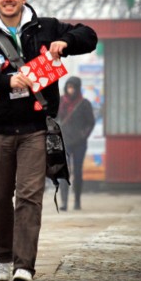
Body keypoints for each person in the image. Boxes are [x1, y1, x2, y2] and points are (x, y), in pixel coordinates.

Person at [0, 0, 97, 281]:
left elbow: (89, 36)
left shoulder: (45, 27)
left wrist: (68, 41)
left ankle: (25, 266)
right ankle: (3, 259)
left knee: (30, 196)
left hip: (35, 128)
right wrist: (5, 81)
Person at [57, 76, 95, 211]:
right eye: (68, 87)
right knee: (64, 173)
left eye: (73, 87)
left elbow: (90, 122)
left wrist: (83, 135)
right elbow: (55, 119)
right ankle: (64, 202)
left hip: (79, 143)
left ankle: (77, 201)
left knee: (78, 172)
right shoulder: (61, 102)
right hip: (65, 142)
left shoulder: (84, 104)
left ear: (77, 88)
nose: (70, 90)